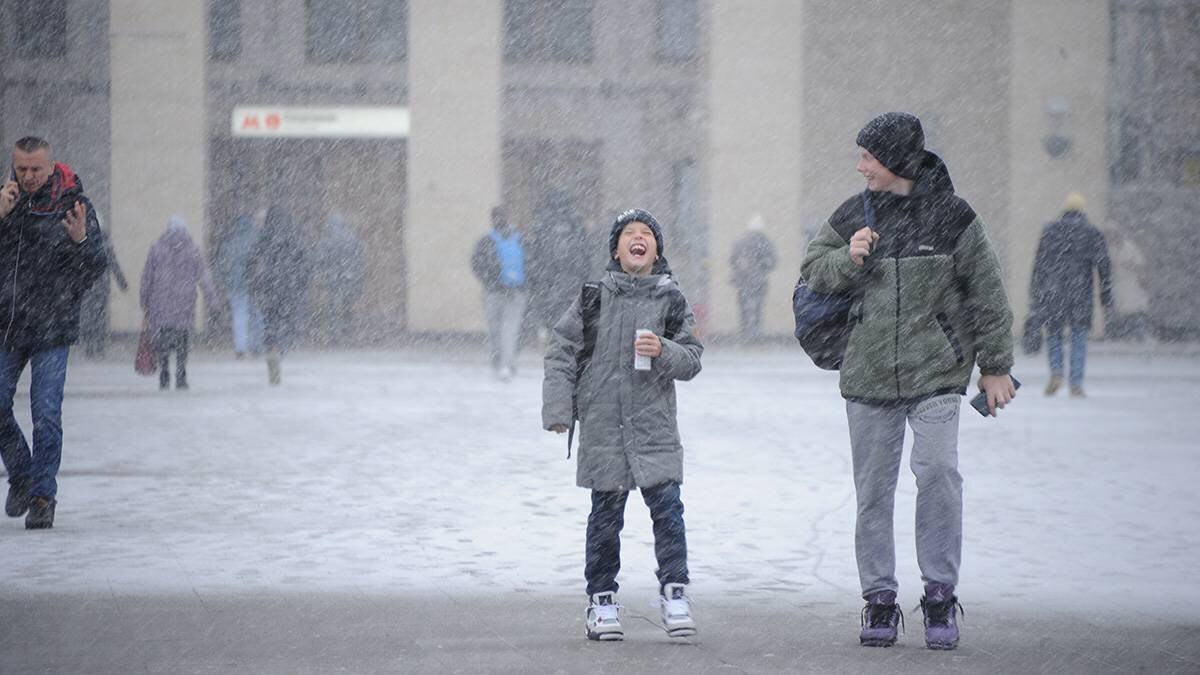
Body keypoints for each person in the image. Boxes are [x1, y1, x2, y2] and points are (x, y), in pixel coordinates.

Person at [800, 113, 1016, 650]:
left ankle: (939, 594)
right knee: (873, 492)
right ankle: (878, 600)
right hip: (868, 376)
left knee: (939, 475)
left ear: (894, 158)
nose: (860, 166)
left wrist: (994, 366)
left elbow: (988, 293)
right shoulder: (853, 213)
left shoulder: (953, 216)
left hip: (937, 374)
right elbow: (812, 270)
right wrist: (848, 258)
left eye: (868, 157)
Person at [542, 209, 704, 642]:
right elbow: (560, 351)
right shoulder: (592, 298)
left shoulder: (671, 300)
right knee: (605, 518)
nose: (638, 238)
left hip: (654, 428)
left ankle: (675, 594)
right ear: (616, 249)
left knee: (668, 512)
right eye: (629, 234)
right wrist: (559, 409)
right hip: (603, 426)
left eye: (646, 234)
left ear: (656, 250)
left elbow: (692, 359)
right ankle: (601, 600)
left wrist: (664, 350)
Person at [0, 136, 107, 529]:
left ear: (50, 166)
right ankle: (22, 475)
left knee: (45, 414)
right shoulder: (5, 200)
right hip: (6, 324)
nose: (28, 177)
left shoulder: (72, 204)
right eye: (21, 168)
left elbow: (97, 266)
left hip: (52, 325)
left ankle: (43, 496)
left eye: (35, 169)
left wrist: (80, 241)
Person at [1029, 193, 1113, 397]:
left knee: (1054, 334)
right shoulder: (1092, 233)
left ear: (1064, 211)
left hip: (1053, 292)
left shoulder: (1050, 231)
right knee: (1079, 336)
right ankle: (1075, 383)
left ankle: (1056, 373)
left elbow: (1040, 264)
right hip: (1080, 292)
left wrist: (1035, 293)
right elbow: (1104, 265)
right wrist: (1105, 295)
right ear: (1083, 212)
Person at [139, 216, 219, 390]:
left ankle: (164, 374)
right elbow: (204, 276)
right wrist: (212, 300)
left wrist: (144, 300)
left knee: (163, 340)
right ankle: (181, 375)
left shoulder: (157, 249)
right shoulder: (193, 250)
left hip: (161, 304)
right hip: (184, 303)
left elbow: (147, 277)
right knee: (182, 340)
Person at [247, 205, 310, 385]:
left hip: (268, 289)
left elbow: (252, 262)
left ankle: (272, 349)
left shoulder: (263, 237)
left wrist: (255, 286)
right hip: (288, 290)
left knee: (270, 324)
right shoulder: (294, 237)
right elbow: (304, 262)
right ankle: (281, 349)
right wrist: (300, 284)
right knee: (286, 322)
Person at [471, 207, 527, 381]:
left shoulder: (486, 241)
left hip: (493, 291)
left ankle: (501, 360)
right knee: (510, 328)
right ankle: (506, 362)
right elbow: (532, 262)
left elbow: (476, 264)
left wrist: (489, 281)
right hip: (516, 290)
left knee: (496, 328)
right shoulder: (520, 239)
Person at [526, 190, 589, 343]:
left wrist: (535, 272)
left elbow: (534, 249)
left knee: (549, 310)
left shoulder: (542, 220)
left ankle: (549, 335)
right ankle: (563, 340)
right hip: (569, 276)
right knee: (568, 311)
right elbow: (585, 250)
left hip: (549, 277)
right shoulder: (575, 220)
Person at [214, 205, 266, 358]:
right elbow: (261, 262)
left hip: (234, 285)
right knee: (257, 314)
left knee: (239, 314)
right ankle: (257, 345)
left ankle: (240, 347)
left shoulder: (228, 242)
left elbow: (221, 264)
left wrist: (223, 281)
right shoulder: (256, 238)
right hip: (253, 284)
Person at [78, 209, 129, 359]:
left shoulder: (83, 239)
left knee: (88, 317)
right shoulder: (105, 241)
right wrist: (122, 282)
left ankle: (89, 347)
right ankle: (98, 348)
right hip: (101, 287)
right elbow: (113, 262)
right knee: (99, 319)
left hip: (86, 286)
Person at [311, 213, 366, 346]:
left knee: (333, 307)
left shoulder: (326, 241)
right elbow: (359, 259)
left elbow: (320, 260)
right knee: (347, 306)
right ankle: (347, 332)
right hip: (348, 278)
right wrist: (356, 274)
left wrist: (323, 273)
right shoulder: (352, 239)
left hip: (333, 279)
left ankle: (334, 334)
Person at [729, 213, 777, 341]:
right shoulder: (765, 243)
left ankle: (747, 333)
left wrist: (742, 265)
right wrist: (762, 265)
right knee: (755, 309)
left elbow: (733, 260)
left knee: (746, 308)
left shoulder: (742, 242)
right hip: (756, 281)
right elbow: (772, 261)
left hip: (745, 281)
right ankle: (753, 334)